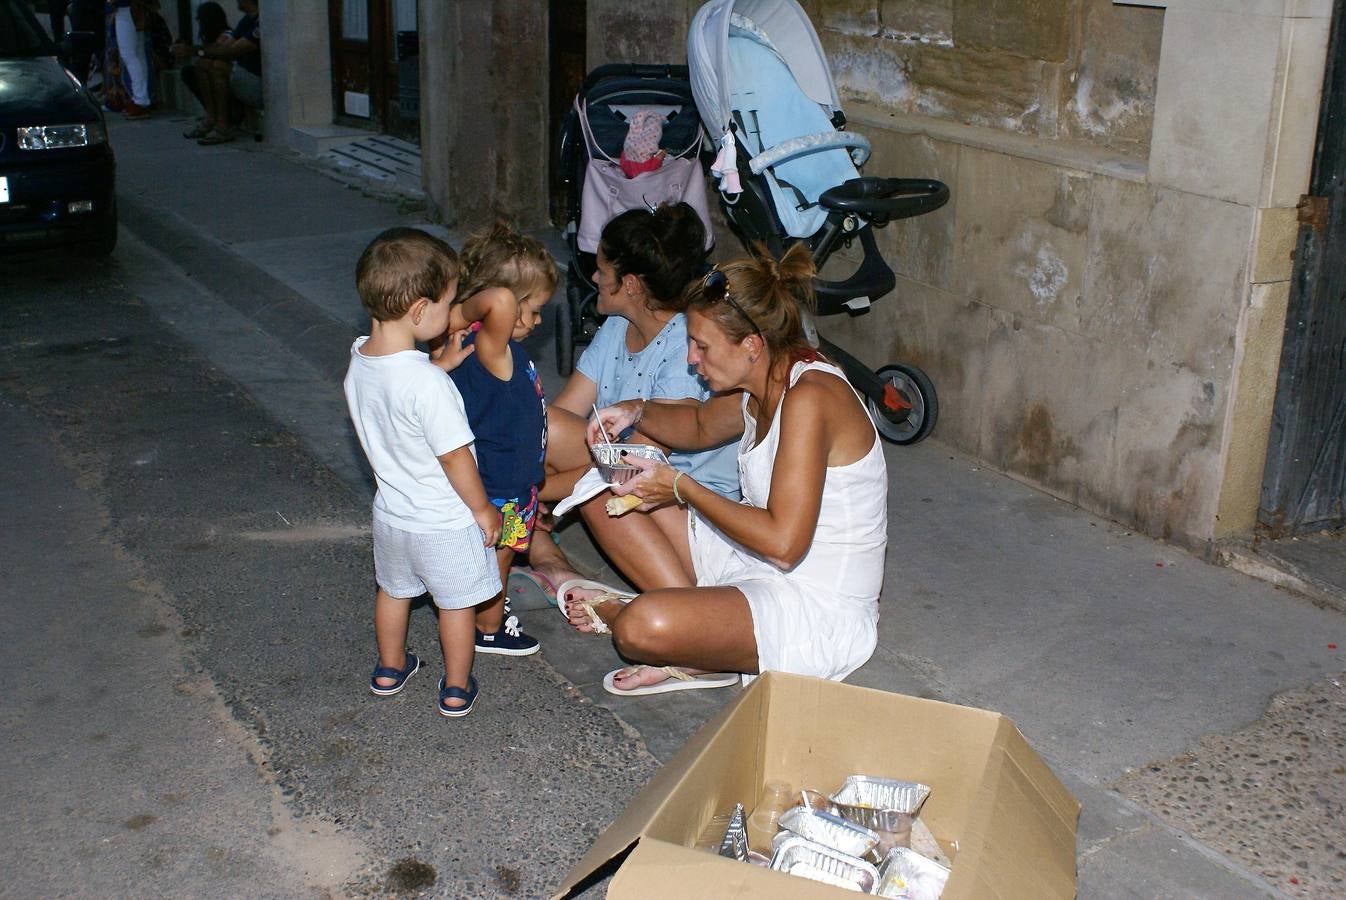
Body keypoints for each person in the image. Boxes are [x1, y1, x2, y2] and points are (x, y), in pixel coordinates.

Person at [564, 243, 888, 696]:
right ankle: (702, 637)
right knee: (602, 489)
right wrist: (636, 409)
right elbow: (697, 425)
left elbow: (783, 545)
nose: (690, 359)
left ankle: (663, 625)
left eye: (701, 346)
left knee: (640, 627)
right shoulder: (761, 380)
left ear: (752, 345)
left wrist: (681, 487)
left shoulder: (810, 397)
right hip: (751, 561)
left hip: (814, 605)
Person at [523, 202, 740, 599]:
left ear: (631, 284)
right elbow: (558, 417)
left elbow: (632, 467)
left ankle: (687, 609)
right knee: (531, 430)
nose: (593, 276)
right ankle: (551, 563)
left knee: (593, 488)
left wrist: (536, 491)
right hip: (628, 478)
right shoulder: (616, 326)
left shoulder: (682, 346)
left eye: (602, 270)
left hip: (688, 505)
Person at [344, 228, 501, 718]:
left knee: (393, 592)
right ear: (418, 311)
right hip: (444, 522)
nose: (450, 315)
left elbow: (399, 403)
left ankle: (390, 667)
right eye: (446, 304)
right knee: (455, 605)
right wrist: (482, 510)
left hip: (392, 517)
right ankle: (456, 686)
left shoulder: (359, 362)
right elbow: (454, 455)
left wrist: (439, 364)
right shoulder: (429, 385)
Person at [435, 223, 557, 658]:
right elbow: (500, 300)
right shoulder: (490, 346)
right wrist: (462, 312)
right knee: (502, 553)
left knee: (489, 553)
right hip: (500, 483)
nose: (538, 320)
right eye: (535, 308)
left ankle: (469, 611)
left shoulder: (476, 344)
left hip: (502, 477)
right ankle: (487, 625)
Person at [178, 0, 260, 145]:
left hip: (259, 86)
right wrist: (200, 51)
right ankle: (212, 119)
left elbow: (229, 51)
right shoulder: (246, 21)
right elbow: (223, 48)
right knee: (202, 64)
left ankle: (223, 127)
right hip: (245, 81)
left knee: (218, 65)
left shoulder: (260, 23)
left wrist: (193, 50)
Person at [174, 2, 235, 139]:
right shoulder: (209, 39)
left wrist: (193, 50)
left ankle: (221, 122)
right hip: (217, 83)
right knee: (191, 70)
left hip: (230, 82)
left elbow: (216, 52)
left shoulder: (228, 35)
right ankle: (211, 117)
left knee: (207, 64)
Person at [111, 0, 154, 119]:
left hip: (126, 8)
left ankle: (140, 99)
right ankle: (142, 98)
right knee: (138, 55)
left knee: (129, 55)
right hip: (134, 8)